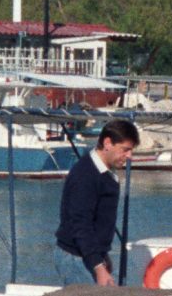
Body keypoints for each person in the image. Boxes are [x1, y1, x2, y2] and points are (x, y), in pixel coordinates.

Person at [56, 118, 141, 285]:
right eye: (125, 150)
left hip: (89, 256)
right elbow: (80, 224)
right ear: (107, 142)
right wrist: (98, 266)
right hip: (76, 258)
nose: (129, 156)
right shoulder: (85, 176)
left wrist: (102, 256)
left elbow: (98, 222)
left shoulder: (103, 173)